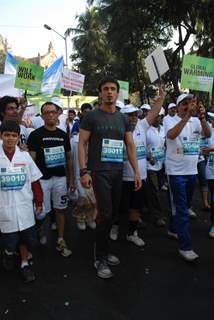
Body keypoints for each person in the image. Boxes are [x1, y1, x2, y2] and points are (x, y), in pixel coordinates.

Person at [78, 77, 141, 279]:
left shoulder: (123, 119)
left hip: (117, 172)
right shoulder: (91, 116)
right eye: (105, 89)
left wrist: (137, 171)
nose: (110, 92)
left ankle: (105, 250)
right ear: (100, 93)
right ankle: (101, 258)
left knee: (113, 215)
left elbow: (130, 145)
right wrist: (83, 171)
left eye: (113, 89)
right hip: (99, 172)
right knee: (105, 214)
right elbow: (82, 144)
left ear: (117, 93)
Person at [164, 93, 210, 261]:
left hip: (192, 171)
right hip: (175, 172)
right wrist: (186, 117)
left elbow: (208, 134)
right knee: (182, 209)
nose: (189, 106)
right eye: (185, 103)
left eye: (191, 103)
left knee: (183, 204)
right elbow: (171, 135)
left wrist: (202, 117)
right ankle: (185, 247)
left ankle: (172, 228)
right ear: (178, 106)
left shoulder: (197, 120)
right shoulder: (169, 119)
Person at [27, 101, 74, 257]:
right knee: (41, 213)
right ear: (42, 115)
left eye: (53, 112)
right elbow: (32, 161)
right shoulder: (35, 135)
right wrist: (32, 183)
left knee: (60, 210)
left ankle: (60, 239)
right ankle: (41, 231)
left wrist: (72, 180)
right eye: (47, 112)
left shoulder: (62, 135)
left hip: (60, 179)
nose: (50, 115)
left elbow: (69, 158)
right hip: (42, 181)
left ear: (57, 113)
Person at [0, 120, 43, 283]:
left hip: (24, 206)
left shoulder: (24, 156)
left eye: (14, 136)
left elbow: (35, 180)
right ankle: (9, 253)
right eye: (7, 135)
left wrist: (39, 201)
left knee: (27, 239)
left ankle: (25, 264)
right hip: (4, 207)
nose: (10, 139)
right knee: (10, 240)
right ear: (1, 136)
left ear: (19, 137)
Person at [146, 108, 166, 227]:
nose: (158, 118)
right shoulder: (146, 130)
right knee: (155, 191)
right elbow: (140, 146)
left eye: (160, 116)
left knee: (154, 191)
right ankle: (157, 216)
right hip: (150, 166)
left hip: (161, 165)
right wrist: (149, 157)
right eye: (156, 116)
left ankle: (148, 209)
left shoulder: (163, 129)